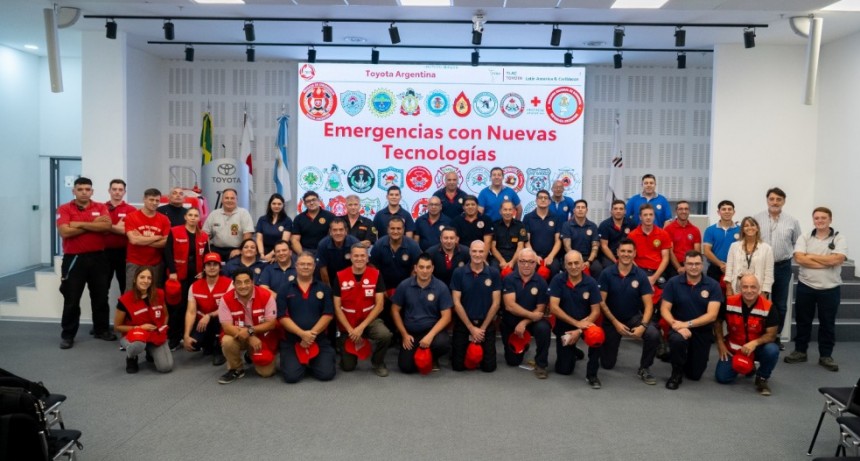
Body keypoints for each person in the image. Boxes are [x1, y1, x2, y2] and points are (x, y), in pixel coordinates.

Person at [785, 207, 848, 372]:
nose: (820, 221)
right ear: (813, 220)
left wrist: (810, 256)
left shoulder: (839, 238)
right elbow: (799, 258)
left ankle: (825, 356)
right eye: (817, 218)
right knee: (802, 320)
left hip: (830, 288)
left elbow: (838, 259)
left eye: (823, 218)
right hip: (806, 286)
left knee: (827, 323)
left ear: (830, 219)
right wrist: (827, 260)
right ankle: (800, 351)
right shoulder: (804, 237)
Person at [56, 177, 115, 349]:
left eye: (87, 189)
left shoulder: (100, 207)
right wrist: (92, 224)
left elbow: (106, 227)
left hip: (99, 259)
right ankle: (68, 335)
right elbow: (65, 231)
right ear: (74, 191)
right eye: (80, 189)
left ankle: (101, 330)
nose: (84, 192)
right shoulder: (65, 208)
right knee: (72, 299)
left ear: (92, 191)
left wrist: (78, 224)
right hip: (74, 259)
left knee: (101, 297)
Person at [597, 239, 660, 384]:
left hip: (633, 317)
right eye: (623, 251)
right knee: (607, 364)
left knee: (653, 333)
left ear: (634, 254)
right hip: (611, 320)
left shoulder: (641, 275)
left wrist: (643, 326)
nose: (626, 254)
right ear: (617, 253)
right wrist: (615, 323)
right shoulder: (606, 273)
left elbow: (649, 305)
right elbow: (601, 302)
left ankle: (645, 368)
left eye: (629, 251)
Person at [660, 250, 722, 390]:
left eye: (697, 264)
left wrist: (687, 324)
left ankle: (677, 355)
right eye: (690, 264)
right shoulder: (673, 282)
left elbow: (712, 315)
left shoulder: (713, 285)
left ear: (702, 265)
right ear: (685, 265)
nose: (694, 267)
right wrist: (677, 325)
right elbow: (665, 309)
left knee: (695, 375)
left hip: (702, 331)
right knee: (677, 340)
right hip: (678, 329)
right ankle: (676, 373)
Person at [332, 243, 392, 377]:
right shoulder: (340, 276)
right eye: (356, 256)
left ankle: (378, 362)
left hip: (369, 320)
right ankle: (343, 345)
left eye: (362, 256)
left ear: (367, 258)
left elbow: (380, 304)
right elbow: (337, 307)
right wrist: (350, 330)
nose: (359, 258)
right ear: (351, 258)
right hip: (348, 324)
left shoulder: (376, 274)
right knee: (348, 367)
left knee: (385, 335)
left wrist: (361, 327)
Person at [714, 273, 779, 396]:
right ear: (740, 288)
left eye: (753, 287)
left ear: (759, 289)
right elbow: (717, 321)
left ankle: (762, 378)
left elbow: (771, 335)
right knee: (722, 378)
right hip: (734, 348)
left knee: (772, 349)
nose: (749, 291)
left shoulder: (769, 307)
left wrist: (754, 343)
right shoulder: (729, 302)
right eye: (745, 287)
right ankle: (749, 367)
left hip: (757, 348)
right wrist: (720, 343)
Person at [276, 252, 336, 383]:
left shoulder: (324, 288)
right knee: (292, 377)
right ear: (296, 266)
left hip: (318, 339)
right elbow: (282, 317)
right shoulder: (284, 289)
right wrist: (302, 334)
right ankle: (301, 361)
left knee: (326, 374)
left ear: (314, 267)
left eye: (309, 264)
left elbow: (328, 315)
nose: (305, 267)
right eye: (302, 264)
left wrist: (310, 335)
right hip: (293, 341)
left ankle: (312, 361)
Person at [548, 250, 603, 389]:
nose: (573, 267)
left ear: (583, 265)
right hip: (565, 325)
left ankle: (592, 375)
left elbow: (596, 311)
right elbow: (553, 307)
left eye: (576, 263)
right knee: (563, 370)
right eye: (570, 264)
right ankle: (574, 351)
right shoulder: (557, 280)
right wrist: (575, 324)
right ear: (565, 266)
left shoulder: (591, 283)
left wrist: (579, 329)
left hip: (586, 325)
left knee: (597, 337)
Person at [755, 187, 802, 349]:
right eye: (772, 199)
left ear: (784, 201)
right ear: (767, 200)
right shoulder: (757, 219)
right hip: (761, 266)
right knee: (760, 302)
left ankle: (775, 335)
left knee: (780, 304)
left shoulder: (792, 221)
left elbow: (798, 243)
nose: (775, 202)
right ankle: (759, 335)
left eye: (778, 199)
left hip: (783, 266)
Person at [391, 253, 453, 374]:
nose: (425, 271)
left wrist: (430, 336)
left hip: (432, 331)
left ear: (433, 269)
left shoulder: (441, 287)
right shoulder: (404, 285)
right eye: (421, 267)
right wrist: (404, 334)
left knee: (443, 343)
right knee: (406, 368)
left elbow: (447, 316)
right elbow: (394, 310)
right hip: (411, 333)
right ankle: (421, 354)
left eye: (428, 267)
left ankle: (433, 357)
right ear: (415, 268)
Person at [217, 267, 279, 384]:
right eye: (238, 283)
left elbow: (271, 324)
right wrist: (250, 336)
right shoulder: (225, 299)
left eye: (246, 282)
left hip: (262, 338)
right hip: (239, 335)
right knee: (227, 341)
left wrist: (250, 331)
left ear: (252, 282)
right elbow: (226, 327)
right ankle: (236, 369)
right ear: (234, 284)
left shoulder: (266, 296)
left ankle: (250, 354)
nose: (243, 286)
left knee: (266, 373)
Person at [450, 241, 501, 372]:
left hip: (486, 324)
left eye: (481, 251)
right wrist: (471, 328)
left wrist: (482, 329)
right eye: (474, 251)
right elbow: (456, 302)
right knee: (458, 367)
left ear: (486, 253)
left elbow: (496, 303)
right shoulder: (458, 272)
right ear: (470, 252)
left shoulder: (494, 273)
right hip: (464, 324)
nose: (477, 254)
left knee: (489, 368)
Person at [501, 248, 551, 378]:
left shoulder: (541, 282)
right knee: (513, 361)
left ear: (536, 263)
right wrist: (530, 315)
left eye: (530, 262)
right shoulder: (509, 279)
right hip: (511, 321)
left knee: (544, 328)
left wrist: (524, 322)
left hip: (531, 322)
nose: (526, 265)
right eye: (523, 261)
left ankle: (541, 364)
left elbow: (540, 309)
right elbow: (510, 306)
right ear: (518, 262)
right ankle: (524, 345)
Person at [164, 206, 209, 350]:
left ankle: (191, 336)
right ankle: (174, 338)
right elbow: (168, 252)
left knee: (195, 307)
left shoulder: (203, 235)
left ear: (199, 218)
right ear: (185, 217)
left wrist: (204, 272)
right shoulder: (175, 231)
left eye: (196, 215)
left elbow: (207, 256)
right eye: (190, 215)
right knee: (178, 307)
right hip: (178, 276)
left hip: (196, 277)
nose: (193, 218)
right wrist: (172, 271)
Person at [114, 266, 173, 374]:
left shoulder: (159, 294)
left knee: (166, 367)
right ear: (135, 279)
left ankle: (150, 352)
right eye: (142, 277)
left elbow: (166, 315)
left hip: (154, 335)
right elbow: (117, 327)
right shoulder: (125, 300)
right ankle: (131, 357)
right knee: (138, 344)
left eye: (149, 278)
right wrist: (139, 328)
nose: (146, 281)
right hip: (133, 336)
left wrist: (162, 329)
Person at [183, 252, 232, 366]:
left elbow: (230, 308)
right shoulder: (194, 286)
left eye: (215, 264)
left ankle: (218, 348)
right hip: (203, 322)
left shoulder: (229, 284)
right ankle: (209, 343)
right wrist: (186, 335)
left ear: (220, 267)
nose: (212, 267)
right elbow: (191, 312)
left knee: (219, 324)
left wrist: (209, 315)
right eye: (208, 264)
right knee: (194, 345)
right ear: (204, 268)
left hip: (222, 321)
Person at [124, 188, 171, 291]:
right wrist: (156, 237)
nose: (154, 203)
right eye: (151, 199)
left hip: (155, 264)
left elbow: (165, 242)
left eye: (157, 200)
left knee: (153, 295)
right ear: (144, 199)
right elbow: (133, 241)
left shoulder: (164, 219)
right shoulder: (131, 217)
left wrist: (142, 239)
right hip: (134, 263)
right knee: (131, 294)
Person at [369, 217, 422, 296]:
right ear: (388, 229)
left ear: (403, 230)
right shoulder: (379, 244)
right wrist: (380, 289)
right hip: (384, 289)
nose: (395, 231)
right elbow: (373, 267)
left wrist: (408, 289)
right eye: (392, 228)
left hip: (407, 289)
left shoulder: (413, 246)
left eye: (398, 228)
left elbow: (417, 269)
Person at [725, 217, 774, 297]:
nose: (749, 228)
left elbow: (769, 273)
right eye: (746, 226)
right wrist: (729, 288)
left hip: (758, 290)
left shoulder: (767, 248)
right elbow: (729, 269)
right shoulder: (734, 246)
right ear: (743, 229)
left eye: (752, 225)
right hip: (737, 289)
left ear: (757, 228)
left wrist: (764, 293)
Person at [104, 179, 137, 294]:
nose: (117, 192)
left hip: (124, 253)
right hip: (104, 253)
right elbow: (96, 229)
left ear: (124, 192)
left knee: (126, 286)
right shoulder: (101, 208)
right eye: (114, 189)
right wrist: (117, 227)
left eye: (120, 190)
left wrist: (107, 227)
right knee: (102, 288)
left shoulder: (131, 210)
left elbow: (128, 231)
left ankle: (125, 312)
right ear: (109, 191)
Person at [202, 188, 254, 261]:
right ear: (222, 200)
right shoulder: (214, 214)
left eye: (232, 198)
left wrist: (241, 250)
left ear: (236, 200)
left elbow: (248, 235)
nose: (229, 200)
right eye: (226, 198)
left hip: (236, 249)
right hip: (216, 249)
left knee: (233, 268)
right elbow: (205, 234)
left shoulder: (244, 213)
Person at [627, 204, 672, 288]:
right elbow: (630, 258)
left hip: (658, 271)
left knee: (665, 294)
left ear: (654, 216)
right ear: (640, 217)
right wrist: (642, 276)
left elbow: (665, 258)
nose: (648, 217)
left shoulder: (663, 234)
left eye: (651, 214)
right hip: (639, 271)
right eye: (645, 215)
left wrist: (654, 278)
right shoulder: (632, 235)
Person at [523, 189, 562, 275]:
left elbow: (558, 240)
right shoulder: (528, 218)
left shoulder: (556, 218)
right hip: (532, 255)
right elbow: (526, 240)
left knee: (555, 267)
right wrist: (533, 255)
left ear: (549, 201)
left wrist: (551, 256)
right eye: (540, 198)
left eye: (545, 198)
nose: (543, 200)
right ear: (536, 201)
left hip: (551, 256)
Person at [702, 200, 740, 288]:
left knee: (732, 296)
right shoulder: (710, 230)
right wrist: (721, 264)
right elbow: (706, 251)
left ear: (733, 212)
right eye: (724, 209)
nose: (727, 211)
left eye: (729, 209)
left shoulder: (740, 230)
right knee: (714, 295)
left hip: (736, 268)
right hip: (715, 268)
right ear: (718, 212)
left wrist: (730, 266)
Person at [560, 199, 602, 278]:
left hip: (589, 258)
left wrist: (589, 261)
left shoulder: (593, 226)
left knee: (598, 268)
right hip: (571, 257)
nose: (580, 209)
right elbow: (567, 246)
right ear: (574, 210)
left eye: (583, 207)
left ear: (586, 210)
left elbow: (595, 247)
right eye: (578, 207)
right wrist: (578, 262)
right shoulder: (566, 225)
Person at [663, 200, 702, 279]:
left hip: (691, 264)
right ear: (676, 211)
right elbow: (670, 252)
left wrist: (689, 266)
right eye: (680, 209)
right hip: (674, 266)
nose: (683, 211)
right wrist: (679, 268)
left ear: (689, 211)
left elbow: (697, 252)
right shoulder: (668, 229)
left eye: (686, 209)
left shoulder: (695, 230)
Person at [316, 217, 360, 287]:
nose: (338, 233)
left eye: (341, 230)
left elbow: (359, 265)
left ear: (346, 231)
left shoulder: (355, 243)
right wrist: (329, 290)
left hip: (350, 279)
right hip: (329, 278)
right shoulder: (322, 245)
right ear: (330, 232)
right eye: (335, 230)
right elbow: (323, 270)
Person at [490, 201, 528, 271]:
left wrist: (512, 262)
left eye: (510, 210)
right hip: (498, 258)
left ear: (513, 211)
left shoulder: (520, 225)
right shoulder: (494, 225)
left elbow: (520, 247)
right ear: (500, 211)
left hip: (515, 257)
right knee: (493, 271)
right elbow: (492, 247)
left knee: (519, 271)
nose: (507, 212)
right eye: (505, 210)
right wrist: (501, 261)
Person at [255, 193, 292, 262]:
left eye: (279, 204)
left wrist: (271, 254)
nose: (276, 206)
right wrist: (262, 254)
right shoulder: (262, 219)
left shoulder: (287, 220)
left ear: (283, 205)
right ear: (270, 205)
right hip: (262, 251)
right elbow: (259, 239)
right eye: (274, 203)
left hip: (280, 252)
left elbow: (284, 241)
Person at [597, 199, 634, 269]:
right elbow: (604, 246)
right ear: (611, 211)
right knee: (611, 269)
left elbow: (635, 243)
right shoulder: (604, 225)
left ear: (625, 211)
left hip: (626, 254)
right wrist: (616, 261)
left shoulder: (631, 224)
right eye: (615, 209)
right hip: (609, 255)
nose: (618, 211)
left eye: (621, 209)